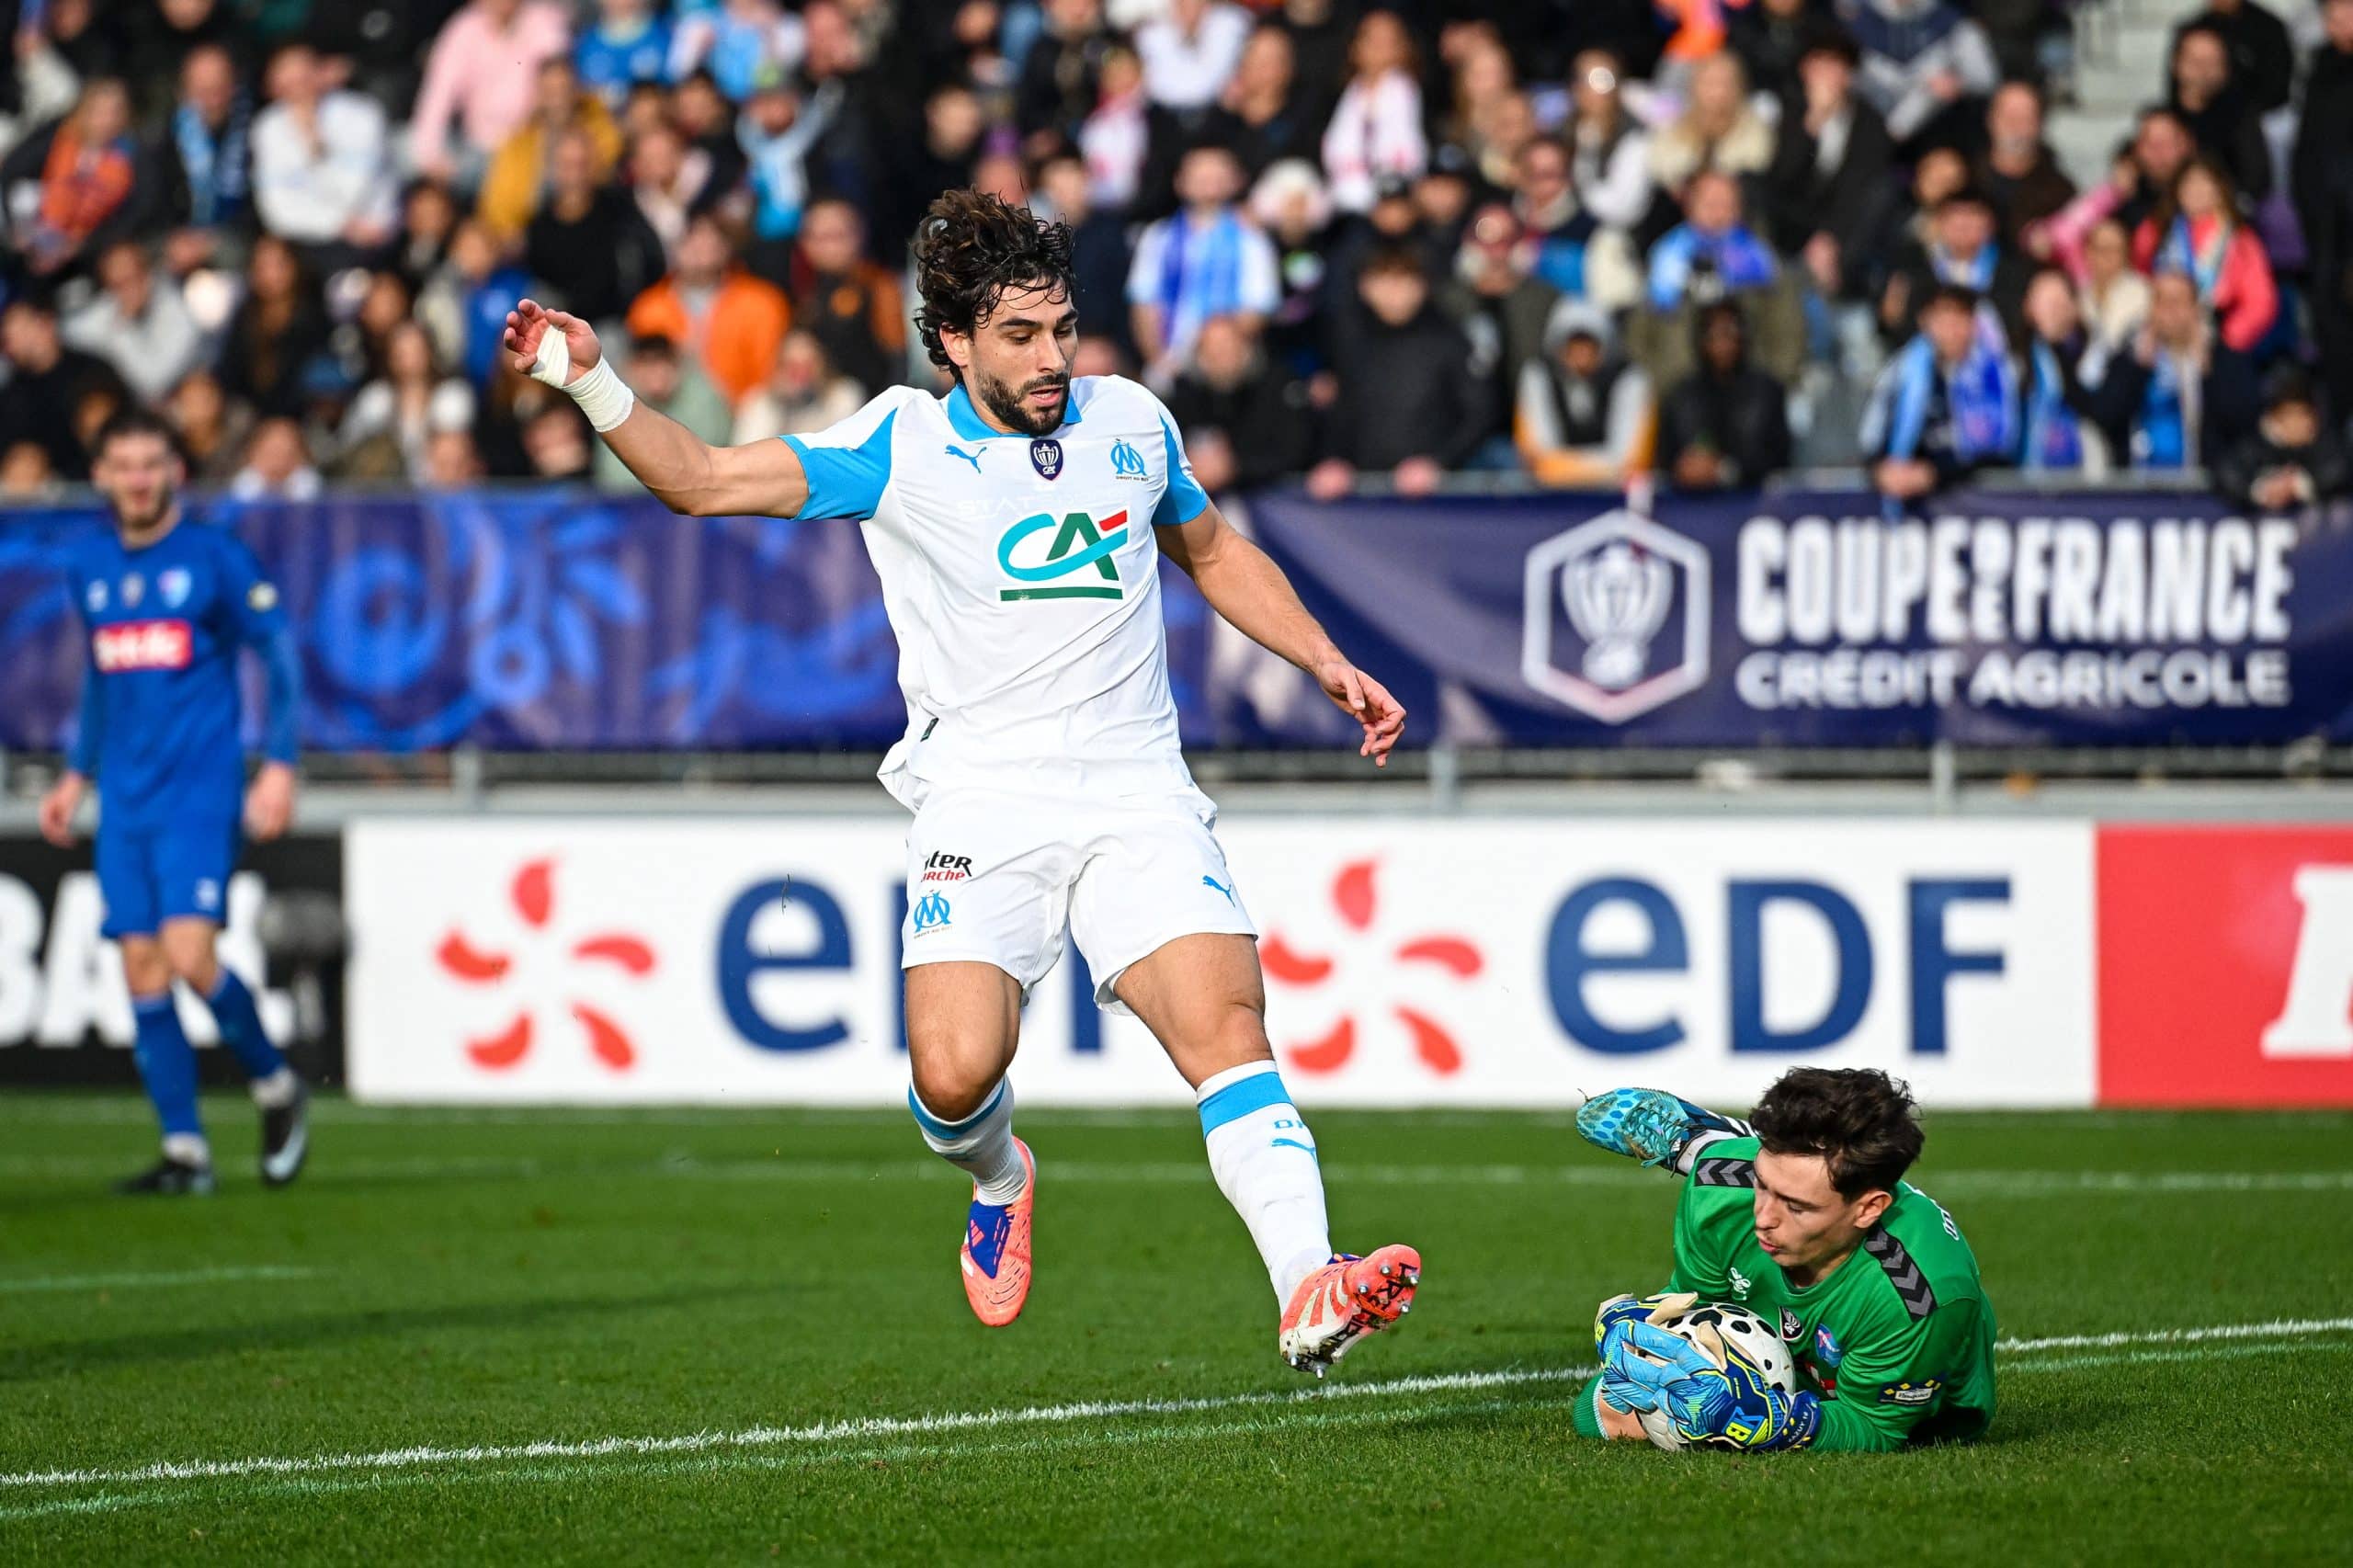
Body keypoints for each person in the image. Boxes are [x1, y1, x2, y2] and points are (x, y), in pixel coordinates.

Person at [501, 189, 1418, 1373]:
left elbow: (1210, 548)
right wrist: (593, 381)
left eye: (1063, 329)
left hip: (1136, 784)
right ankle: (1000, 1172)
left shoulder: (1132, 420)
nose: (1053, 359)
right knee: (952, 1070)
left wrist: (1325, 658)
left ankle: (1308, 1282)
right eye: (1021, 336)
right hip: (981, 797)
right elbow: (706, 478)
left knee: (1226, 1029)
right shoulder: (898, 443)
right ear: (954, 342)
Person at [38, 408, 312, 1198]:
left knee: (191, 956)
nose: (138, 479)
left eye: (151, 464)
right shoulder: (90, 567)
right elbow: (99, 678)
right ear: (102, 476)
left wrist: (280, 765)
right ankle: (185, 1152)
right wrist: (74, 773)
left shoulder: (212, 557)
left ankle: (274, 1084)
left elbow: (278, 652)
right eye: (123, 465)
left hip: (200, 791)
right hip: (124, 798)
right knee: (141, 968)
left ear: (175, 473)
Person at [1573, 1069, 1996, 1452]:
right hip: (1769, 1336)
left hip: (1913, 1403)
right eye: (1762, 1184)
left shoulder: (1919, 1296)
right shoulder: (1718, 1192)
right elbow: (1698, 1306)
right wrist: (1641, 1335)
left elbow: (1873, 1426)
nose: (1763, 1218)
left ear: (1868, 1209)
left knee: (1695, 1423)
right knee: (1600, 1411)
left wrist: (1779, 1423)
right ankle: (1707, 1143)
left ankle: (1701, 1137)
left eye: (1796, 1206)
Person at [1310, 244, 1492, 499]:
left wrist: (1439, 462)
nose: (1394, 291)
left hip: (1436, 495)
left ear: (1422, 286)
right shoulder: (1350, 340)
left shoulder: (1450, 339)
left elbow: (1479, 412)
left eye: (1404, 279)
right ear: (1365, 287)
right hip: (1362, 494)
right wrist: (1333, 459)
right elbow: (1343, 409)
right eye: (1383, 280)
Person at [1126, 142, 1281, 383]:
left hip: (1226, 363)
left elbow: (1256, 309)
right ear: (1180, 182)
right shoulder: (1158, 236)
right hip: (1168, 362)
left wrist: (1214, 348)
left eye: (1217, 176)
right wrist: (1160, 359)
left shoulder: (1252, 239)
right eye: (1200, 176)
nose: (1209, 184)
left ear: (1235, 181)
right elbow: (1144, 305)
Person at [2086, 268, 2261, 472]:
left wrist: (2208, 374)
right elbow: (2105, 417)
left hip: (2201, 490)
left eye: (2177, 301)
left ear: (2196, 308)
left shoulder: (2223, 360)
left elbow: (2242, 423)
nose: (2168, 309)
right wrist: (2137, 370)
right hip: (2137, 491)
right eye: (2160, 301)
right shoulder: (2128, 358)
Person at [1860, 283, 2018, 498]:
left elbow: (1997, 452)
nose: (1951, 329)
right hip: (1908, 507)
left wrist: (1934, 474)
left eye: (1960, 319)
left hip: (1980, 506)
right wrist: (1881, 471)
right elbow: (1873, 438)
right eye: (1943, 319)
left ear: (1973, 324)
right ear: (1926, 322)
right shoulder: (1901, 372)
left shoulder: (1996, 376)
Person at [624, 211, 790, 404]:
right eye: (692, 241)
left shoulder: (763, 303)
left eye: (710, 243)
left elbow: (769, 374)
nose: (700, 250)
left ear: (726, 249)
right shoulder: (649, 308)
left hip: (745, 413)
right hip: (669, 412)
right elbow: (641, 375)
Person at [2132, 157, 2277, 356]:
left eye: (2204, 182)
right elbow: (2138, 281)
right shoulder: (2155, 229)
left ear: (2219, 190)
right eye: (2189, 182)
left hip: (2214, 339)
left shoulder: (2241, 240)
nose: (2196, 190)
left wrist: (2227, 342)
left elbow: (2260, 302)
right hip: (2157, 338)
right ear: (2177, 190)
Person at [1161, 312, 1315, 491]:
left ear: (1245, 346)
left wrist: (1235, 467)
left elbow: (1296, 449)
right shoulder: (1184, 394)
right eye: (1213, 351)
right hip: (1198, 496)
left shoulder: (1278, 383)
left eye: (1229, 347)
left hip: (1270, 494)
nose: (1223, 358)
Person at [1516, 301, 1654, 489]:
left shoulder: (1630, 379)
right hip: (1550, 498)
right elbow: (1538, 455)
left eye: (1589, 343)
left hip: (1614, 497)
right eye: (1573, 343)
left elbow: (1629, 460)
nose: (1581, 353)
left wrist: (1563, 468)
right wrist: (1602, 468)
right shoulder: (1537, 376)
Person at [1655, 301, 1790, 491]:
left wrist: (1724, 470)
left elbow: (1779, 459)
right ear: (1700, 339)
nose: (1722, 345)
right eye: (1713, 335)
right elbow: (1664, 459)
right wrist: (1683, 469)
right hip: (1689, 506)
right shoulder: (1680, 396)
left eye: (1729, 333)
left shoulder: (1767, 392)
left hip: (1753, 505)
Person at [63, 240, 205, 405]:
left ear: (147, 272)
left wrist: (122, 327)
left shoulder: (176, 302)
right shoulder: (111, 306)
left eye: (133, 277)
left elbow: (153, 382)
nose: (128, 288)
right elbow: (69, 331)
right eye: (118, 284)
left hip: (184, 399)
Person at [2213, 373, 2353, 510]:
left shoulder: (2327, 444)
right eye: (2294, 415)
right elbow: (2226, 476)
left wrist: (2299, 484)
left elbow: (2340, 471)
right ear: (2276, 417)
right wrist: (2261, 490)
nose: (2303, 423)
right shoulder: (2252, 447)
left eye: (2307, 414)